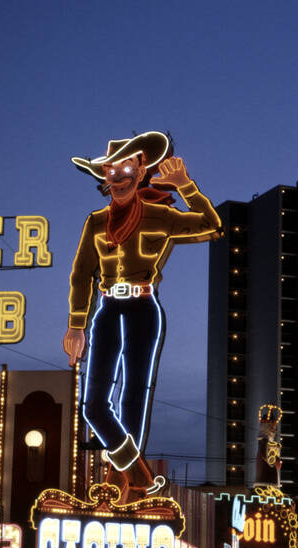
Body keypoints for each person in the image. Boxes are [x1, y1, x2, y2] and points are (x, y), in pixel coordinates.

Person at [64, 132, 222, 502]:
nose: (117, 176)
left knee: (134, 396)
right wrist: (76, 324)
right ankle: (137, 473)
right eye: (110, 169)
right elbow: (81, 272)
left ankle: (129, 487)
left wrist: (185, 185)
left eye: (125, 167)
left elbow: (211, 224)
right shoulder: (96, 222)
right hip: (106, 310)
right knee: (94, 406)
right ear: (103, 176)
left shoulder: (159, 215)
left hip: (143, 308)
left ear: (140, 170)